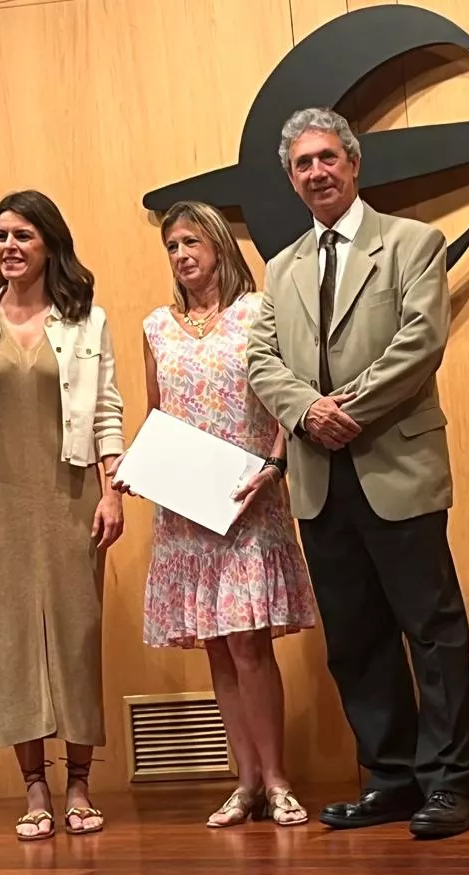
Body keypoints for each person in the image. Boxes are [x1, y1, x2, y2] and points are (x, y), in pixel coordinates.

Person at [245, 107, 469, 838]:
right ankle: (391, 779)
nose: (317, 172)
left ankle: (449, 783)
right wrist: (307, 413)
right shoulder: (280, 267)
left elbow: (421, 341)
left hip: (396, 463)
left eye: (328, 158)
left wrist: (343, 408)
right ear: (291, 180)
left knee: (431, 630)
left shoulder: (412, 242)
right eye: (303, 164)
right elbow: (260, 360)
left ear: (353, 163)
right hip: (320, 478)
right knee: (355, 637)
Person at [115, 200, 318, 828]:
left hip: (247, 499)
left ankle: (277, 779)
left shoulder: (257, 312)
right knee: (218, 649)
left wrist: (275, 465)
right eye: (172, 246)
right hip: (186, 510)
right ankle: (246, 781)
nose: (181, 255)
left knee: (249, 642)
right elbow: (157, 414)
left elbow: (287, 399)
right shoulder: (156, 326)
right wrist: (138, 467)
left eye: (191, 241)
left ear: (219, 245)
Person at [0, 189, 126, 841]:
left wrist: (112, 491)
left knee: (76, 636)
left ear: (49, 243)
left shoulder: (86, 321)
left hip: (71, 494)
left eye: (22, 235)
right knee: (13, 638)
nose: (10, 246)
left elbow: (107, 411)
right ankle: (35, 789)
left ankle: (79, 783)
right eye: (2, 235)